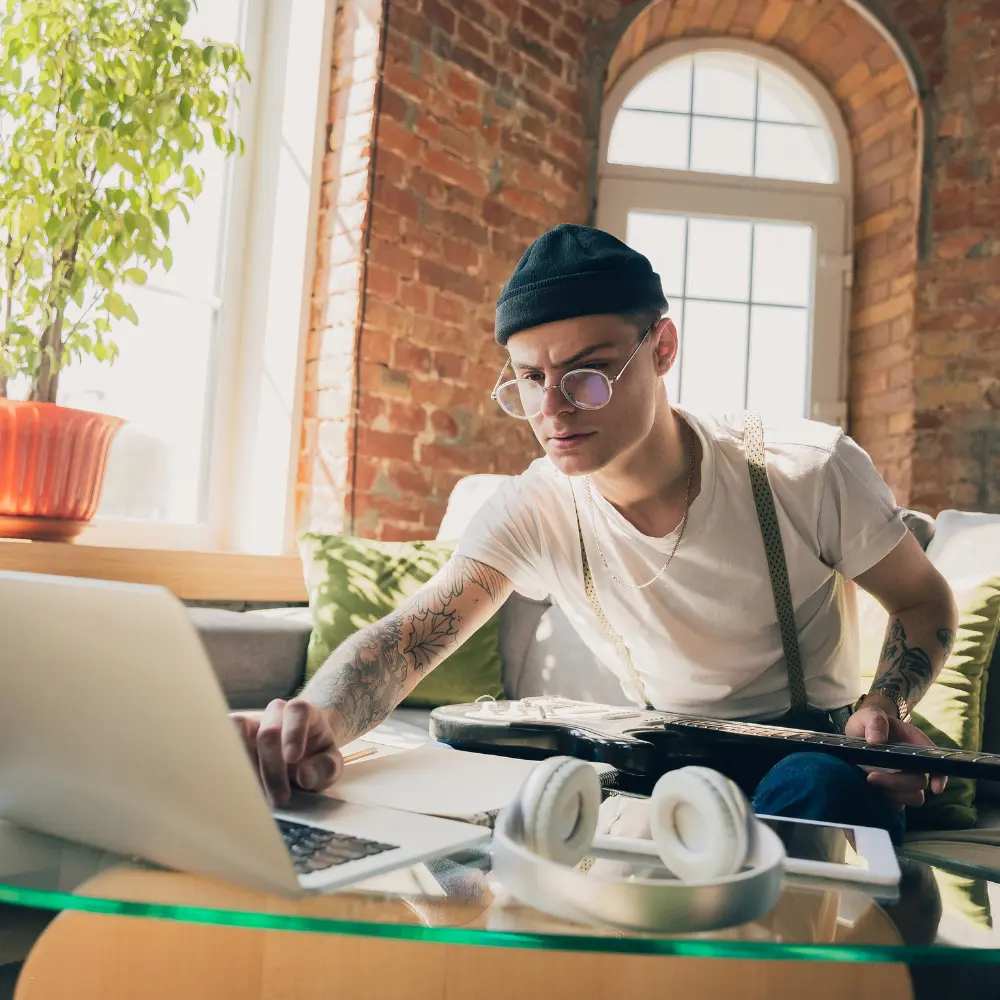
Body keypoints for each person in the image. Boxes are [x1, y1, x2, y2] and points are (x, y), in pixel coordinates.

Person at [232, 224, 957, 845]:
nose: (553, 411)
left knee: (814, 795)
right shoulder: (535, 507)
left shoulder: (804, 469)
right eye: (528, 380)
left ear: (662, 346)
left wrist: (884, 706)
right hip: (664, 759)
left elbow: (924, 603)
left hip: (810, 756)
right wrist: (310, 719)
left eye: (588, 374)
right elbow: (405, 638)